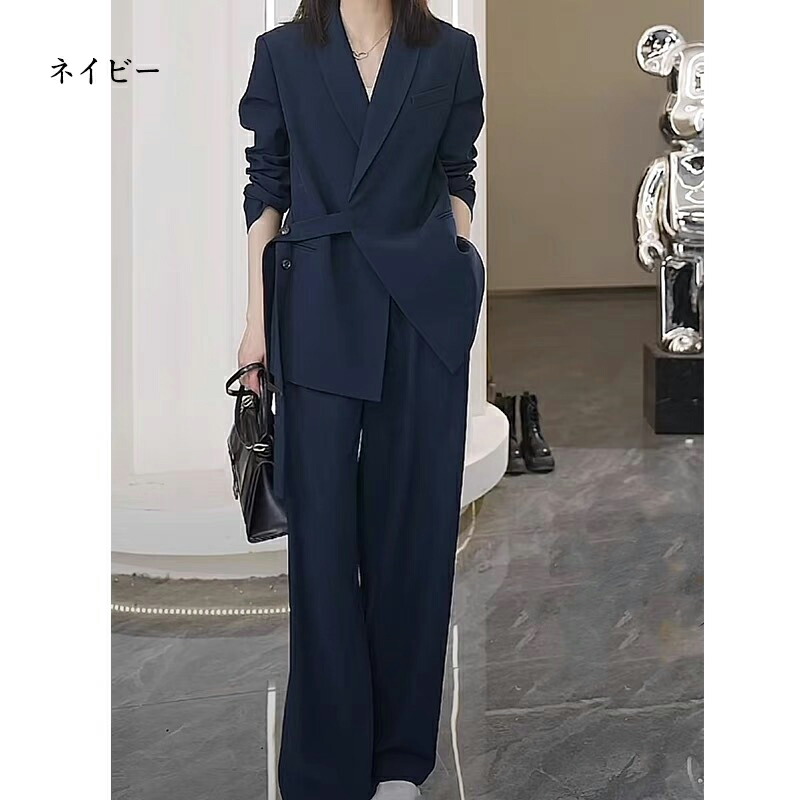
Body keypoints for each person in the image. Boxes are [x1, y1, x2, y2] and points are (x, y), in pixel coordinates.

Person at [237, 1, 484, 798]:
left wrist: (450, 255)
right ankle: (327, 764)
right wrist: (256, 326)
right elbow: (267, 191)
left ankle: (400, 759)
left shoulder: (448, 50)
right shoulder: (282, 52)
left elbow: (457, 171)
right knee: (322, 538)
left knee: (415, 527)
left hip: (422, 308)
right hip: (317, 302)